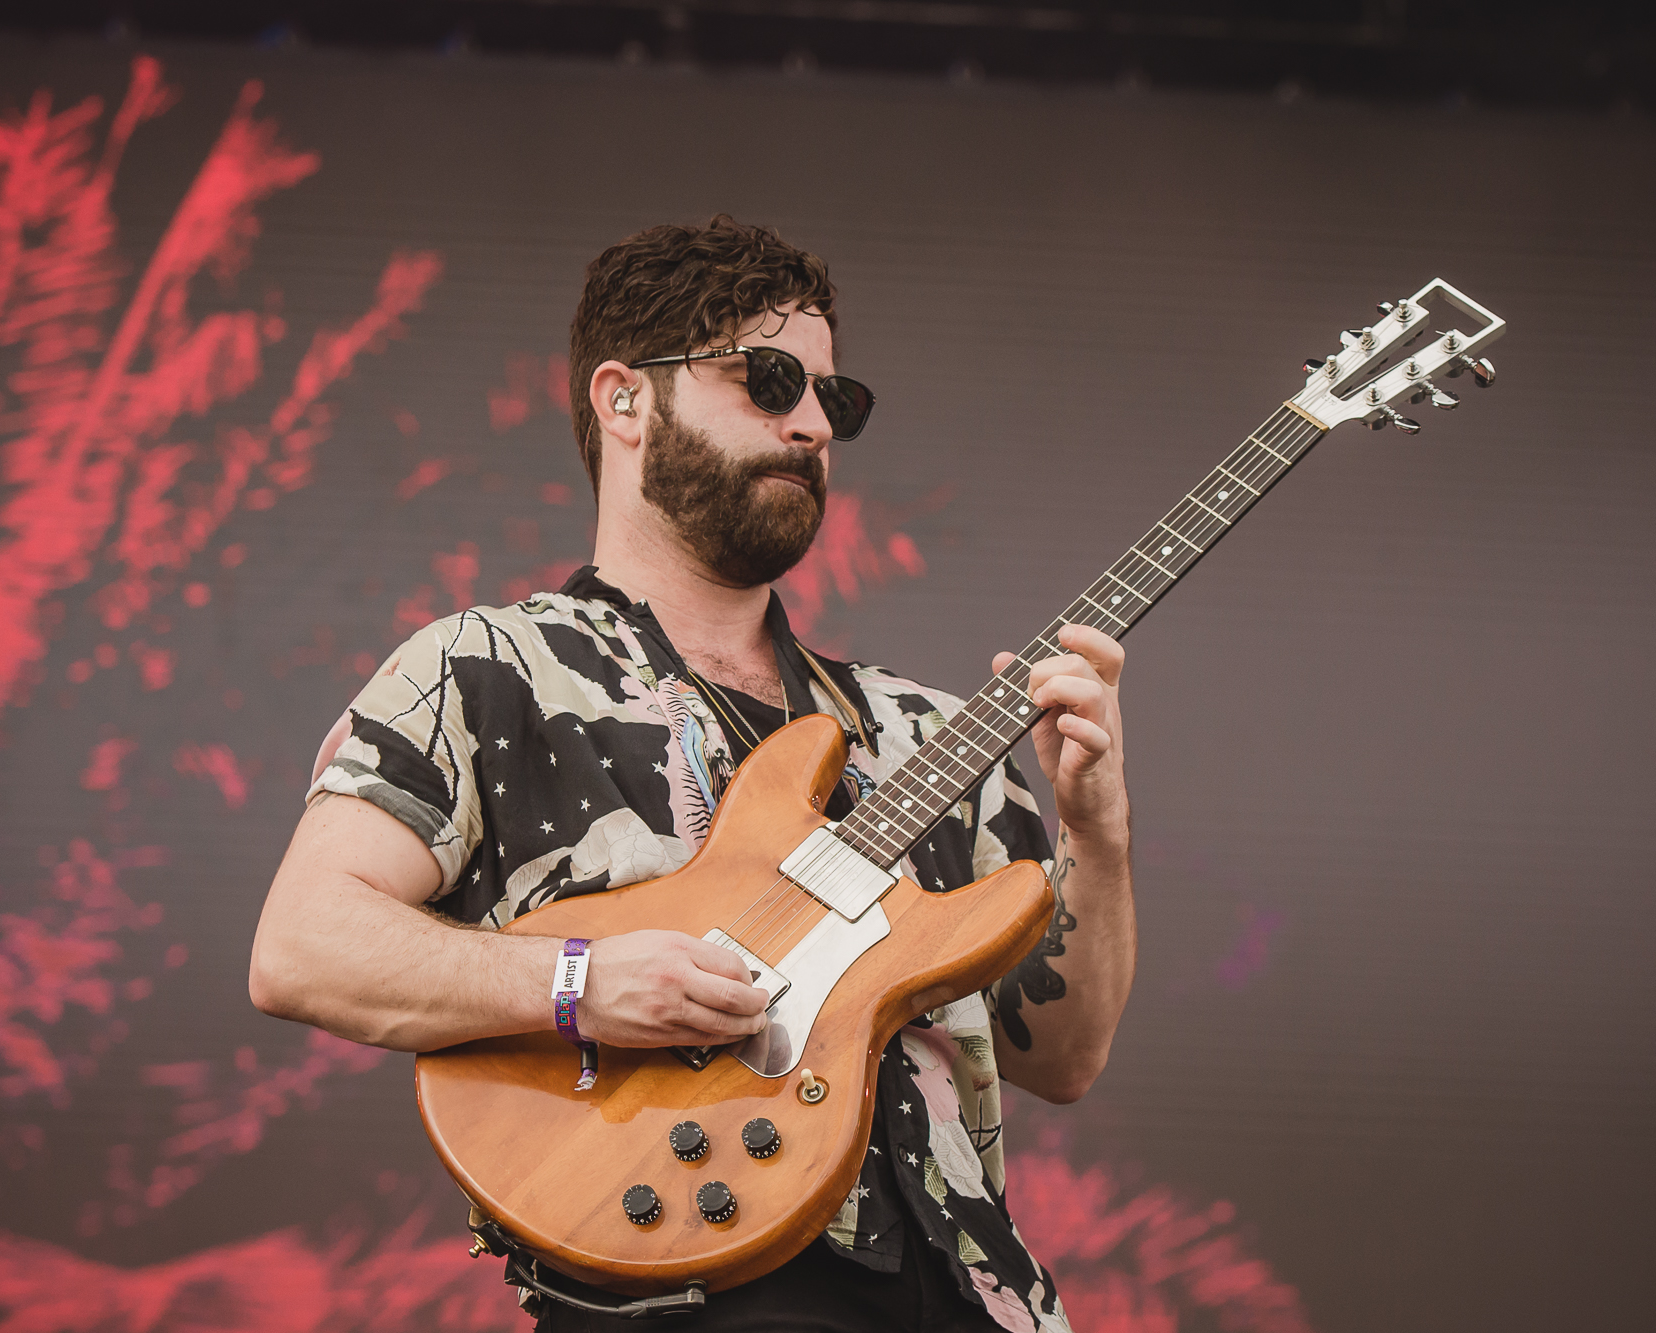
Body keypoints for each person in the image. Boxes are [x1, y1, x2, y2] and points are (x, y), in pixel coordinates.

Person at [250, 216, 1135, 1331]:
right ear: (623, 400)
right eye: (767, 381)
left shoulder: (925, 731)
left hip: (973, 1293)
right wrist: (577, 985)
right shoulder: (488, 669)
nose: (811, 423)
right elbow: (301, 946)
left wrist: (1093, 830)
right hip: (677, 1274)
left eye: (833, 400)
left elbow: (1059, 1055)